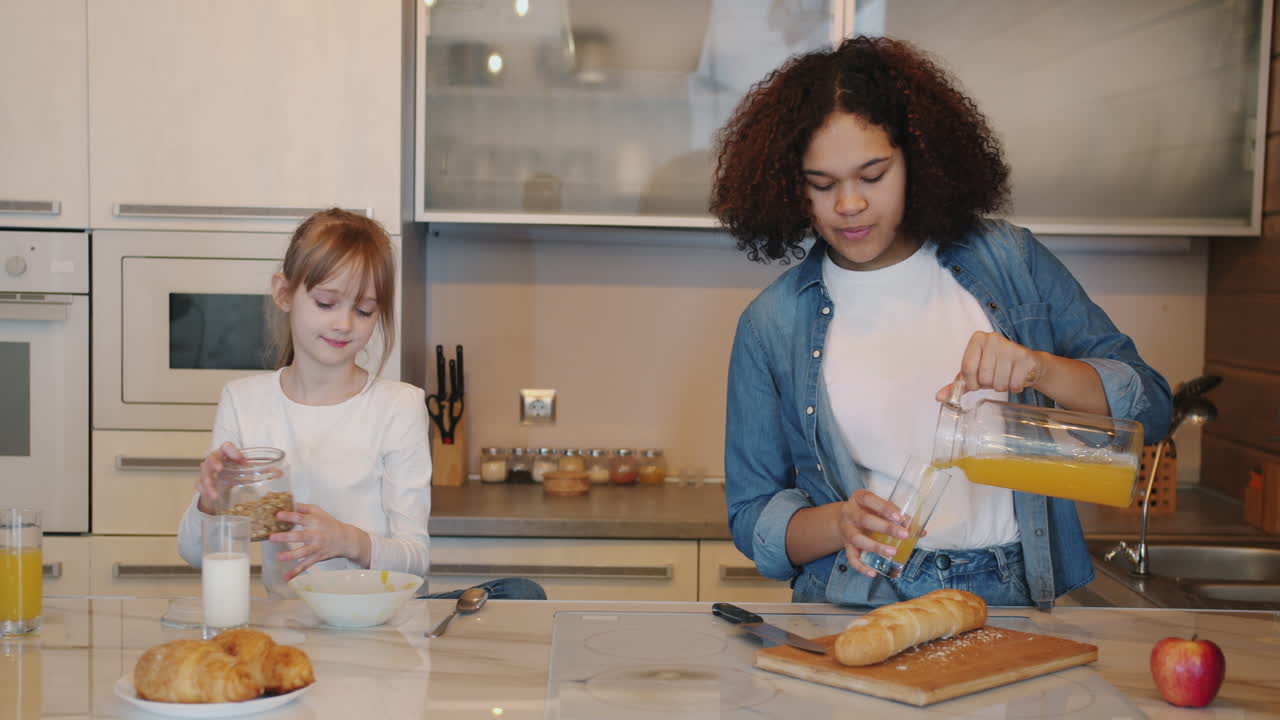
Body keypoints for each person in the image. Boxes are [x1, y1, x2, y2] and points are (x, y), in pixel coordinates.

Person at [711, 36, 1172, 609]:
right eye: (822, 185)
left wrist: (1040, 367)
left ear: (917, 159)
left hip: (1011, 593)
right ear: (791, 185)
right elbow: (750, 514)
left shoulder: (1013, 263)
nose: (848, 204)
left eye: (872, 175)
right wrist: (839, 524)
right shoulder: (771, 323)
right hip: (863, 598)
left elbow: (1152, 408)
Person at [178, 209, 544, 601]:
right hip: (293, 623)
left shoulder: (398, 405)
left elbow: (415, 559)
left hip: (381, 622)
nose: (344, 324)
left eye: (364, 310)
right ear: (284, 293)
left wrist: (350, 541)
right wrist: (211, 504)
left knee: (522, 592)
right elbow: (195, 554)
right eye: (326, 303)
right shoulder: (244, 401)